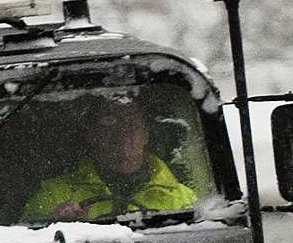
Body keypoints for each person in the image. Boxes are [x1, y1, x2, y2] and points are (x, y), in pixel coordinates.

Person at [24, 94, 199, 223]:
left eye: (131, 120)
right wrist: (52, 226)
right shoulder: (53, 196)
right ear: (92, 134)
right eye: (109, 120)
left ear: (146, 134)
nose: (123, 130)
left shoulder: (184, 200)